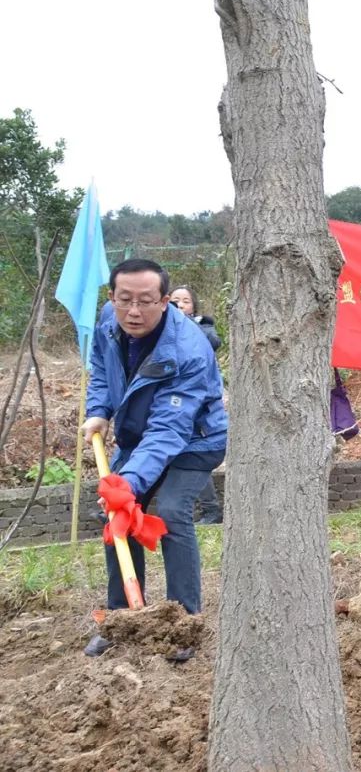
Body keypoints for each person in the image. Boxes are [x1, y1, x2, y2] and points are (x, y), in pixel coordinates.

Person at [81, 259, 228, 660]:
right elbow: (99, 369)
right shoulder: (108, 322)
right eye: (124, 299)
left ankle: (183, 621)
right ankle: (123, 616)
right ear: (111, 297)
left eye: (146, 301)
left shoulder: (187, 349)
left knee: (171, 510)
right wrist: (99, 409)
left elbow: (170, 429)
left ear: (165, 301)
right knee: (117, 516)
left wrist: (130, 482)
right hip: (139, 434)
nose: (133, 311)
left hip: (195, 439)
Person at [169, 284, 225, 524]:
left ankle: (211, 510)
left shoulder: (202, 328)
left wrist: (184, 322)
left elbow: (212, 341)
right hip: (173, 407)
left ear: (194, 307)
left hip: (200, 411)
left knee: (195, 457)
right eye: (174, 301)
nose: (180, 305)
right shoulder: (162, 332)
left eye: (185, 301)